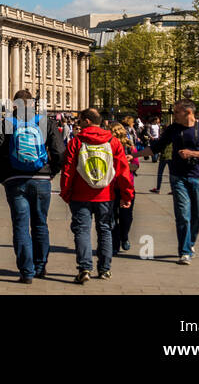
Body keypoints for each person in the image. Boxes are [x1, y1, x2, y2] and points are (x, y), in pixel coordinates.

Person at [0, 90, 65, 283]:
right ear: (33, 104)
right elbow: (60, 151)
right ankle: (40, 266)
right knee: (40, 223)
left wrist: (4, 177)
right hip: (41, 178)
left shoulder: (5, 124)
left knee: (20, 225)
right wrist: (51, 171)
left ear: (15, 105)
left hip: (15, 179)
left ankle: (26, 272)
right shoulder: (46, 122)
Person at [61, 108, 134, 283]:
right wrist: (126, 194)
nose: (77, 124)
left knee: (82, 230)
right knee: (105, 230)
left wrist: (66, 192)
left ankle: (85, 268)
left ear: (87, 121)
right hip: (106, 194)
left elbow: (68, 170)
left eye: (80, 121)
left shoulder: (76, 142)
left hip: (80, 194)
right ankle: (105, 269)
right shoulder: (113, 141)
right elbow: (122, 171)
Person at [151, 99, 199, 265]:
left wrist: (193, 154)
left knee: (198, 216)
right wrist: (134, 155)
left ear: (188, 112)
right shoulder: (173, 128)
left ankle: (190, 244)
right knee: (183, 215)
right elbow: (157, 147)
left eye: (177, 112)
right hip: (178, 176)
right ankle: (184, 252)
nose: (174, 115)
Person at [110, 123, 141, 252]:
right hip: (111, 186)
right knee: (111, 217)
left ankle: (124, 236)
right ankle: (115, 243)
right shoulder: (107, 147)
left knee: (126, 216)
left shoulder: (130, 148)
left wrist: (124, 165)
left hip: (127, 185)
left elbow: (136, 166)